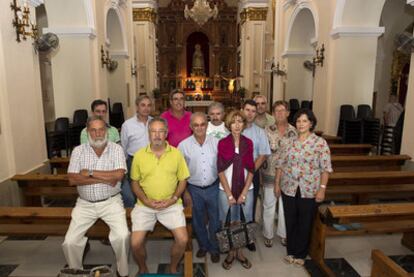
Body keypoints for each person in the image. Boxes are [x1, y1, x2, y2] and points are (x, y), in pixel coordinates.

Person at [63, 115, 129, 277]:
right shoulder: (78, 151)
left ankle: (123, 271)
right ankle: (75, 271)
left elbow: (119, 175)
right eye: (93, 130)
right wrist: (107, 178)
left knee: (122, 236)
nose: (98, 134)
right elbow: (72, 179)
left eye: (101, 129)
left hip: (111, 202)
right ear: (87, 132)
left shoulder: (116, 149)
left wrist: (89, 173)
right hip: (84, 204)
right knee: (70, 242)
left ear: (106, 131)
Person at [130, 117, 190, 275]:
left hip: (171, 205)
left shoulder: (176, 154)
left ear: (166, 133)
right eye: (153, 131)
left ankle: (173, 266)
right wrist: (145, 200)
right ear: (148, 133)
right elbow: (134, 182)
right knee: (135, 243)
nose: (157, 135)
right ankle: (142, 267)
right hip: (145, 206)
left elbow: (183, 180)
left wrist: (173, 199)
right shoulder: (139, 155)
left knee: (183, 239)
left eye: (160, 131)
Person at [275, 109, 332, 267]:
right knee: (290, 220)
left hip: (309, 188)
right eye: (299, 121)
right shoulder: (288, 142)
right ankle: (291, 252)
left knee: (305, 222)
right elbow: (280, 164)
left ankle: (301, 253)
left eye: (304, 121)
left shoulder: (319, 143)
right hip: (289, 187)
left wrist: (322, 189)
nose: (301, 124)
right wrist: (277, 184)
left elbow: (325, 168)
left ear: (311, 123)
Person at [178, 112, 221, 263]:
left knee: (216, 220)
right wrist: (185, 193)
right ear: (191, 127)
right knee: (197, 220)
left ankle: (214, 248)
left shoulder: (217, 143)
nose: (199, 127)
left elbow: (222, 168)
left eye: (202, 124)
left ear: (207, 125)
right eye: (196, 125)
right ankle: (203, 245)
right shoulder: (183, 146)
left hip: (214, 187)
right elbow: (181, 173)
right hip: (193, 189)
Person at [217, 110, 255, 270]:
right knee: (228, 222)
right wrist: (229, 194)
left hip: (247, 188)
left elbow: (252, 170)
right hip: (225, 189)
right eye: (234, 121)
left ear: (244, 124)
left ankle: (239, 253)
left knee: (243, 221)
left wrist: (244, 192)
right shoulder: (223, 143)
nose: (237, 125)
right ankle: (231, 252)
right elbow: (220, 171)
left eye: (240, 121)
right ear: (229, 125)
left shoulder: (249, 143)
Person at [262, 101, 297, 248]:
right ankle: (268, 234)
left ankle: (283, 234)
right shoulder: (267, 130)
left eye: (282, 110)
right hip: (270, 172)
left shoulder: (294, 131)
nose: (279, 113)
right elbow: (263, 151)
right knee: (269, 204)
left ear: (288, 113)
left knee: (285, 206)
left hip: (288, 175)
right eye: (276, 111)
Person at [241, 99, 271, 251]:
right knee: (234, 205)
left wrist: (251, 169)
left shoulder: (259, 131)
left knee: (250, 206)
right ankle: (234, 236)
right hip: (235, 173)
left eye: (253, 111)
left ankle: (249, 238)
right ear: (242, 110)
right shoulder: (234, 128)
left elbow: (264, 153)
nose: (250, 113)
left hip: (253, 171)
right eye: (247, 110)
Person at [120, 95, 153, 207]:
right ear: (137, 107)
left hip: (152, 159)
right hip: (133, 161)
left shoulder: (154, 122)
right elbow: (123, 147)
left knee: (149, 190)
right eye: (143, 105)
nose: (146, 108)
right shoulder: (127, 125)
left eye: (149, 105)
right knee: (135, 190)